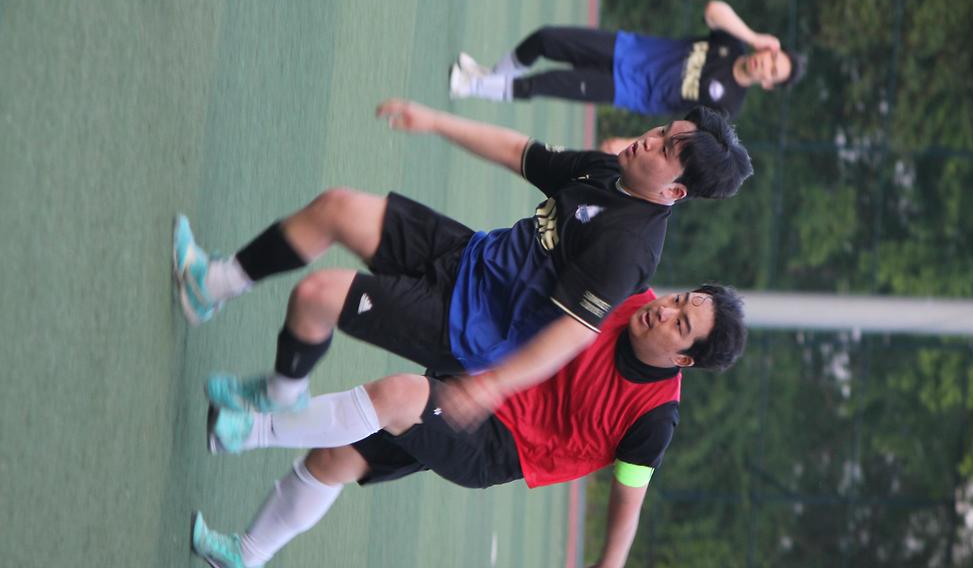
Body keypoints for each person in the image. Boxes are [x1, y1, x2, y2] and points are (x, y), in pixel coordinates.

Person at [173, 99, 752, 429]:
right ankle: (213, 285)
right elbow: (522, 154)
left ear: (675, 192)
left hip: (467, 325)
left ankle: (281, 393)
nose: (648, 140)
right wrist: (435, 120)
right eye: (661, 131)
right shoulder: (612, 170)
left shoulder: (629, 246)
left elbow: (573, 333)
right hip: (469, 257)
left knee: (316, 296)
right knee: (337, 208)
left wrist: (492, 386)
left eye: (664, 149)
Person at [190, 287, 748, 568]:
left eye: (681, 323)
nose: (665, 311)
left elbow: (628, 504)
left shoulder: (654, 417)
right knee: (334, 459)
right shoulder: (631, 296)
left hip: (498, 446)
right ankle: (244, 554)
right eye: (680, 300)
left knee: (397, 397)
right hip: (482, 383)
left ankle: (251, 429)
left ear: (684, 359)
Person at [449, 0, 806, 119]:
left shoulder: (729, 104)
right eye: (771, 57)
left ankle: (471, 87)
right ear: (767, 49)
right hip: (625, 49)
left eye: (773, 71)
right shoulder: (733, 43)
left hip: (626, 89)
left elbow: (688, 132)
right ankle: (489, 74)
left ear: (769, 84)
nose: (766, 64)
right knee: (545, 39)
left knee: (543, 83)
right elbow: (714, 10)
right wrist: (753, 37)